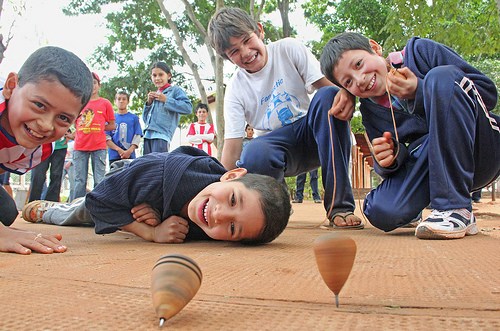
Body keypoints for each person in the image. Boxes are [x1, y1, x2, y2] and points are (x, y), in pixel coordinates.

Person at [319, 32, 500, 239]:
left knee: (440, 77)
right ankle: (418, 212)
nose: (359, 80)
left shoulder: (421, 52)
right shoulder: (370, 110)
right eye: (348, 82)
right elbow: (391, 169)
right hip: (433, 166)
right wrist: (391, 158)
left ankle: (456, 209)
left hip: (482, 151)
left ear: (375, 48)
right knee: (380, 209)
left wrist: (420, 91)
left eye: (359, 64)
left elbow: (487, 93)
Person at [207, 8, 362, 229]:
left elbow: (331, 91)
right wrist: (215, 190)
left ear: (259, 31)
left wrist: (350, 96)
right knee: (253, 151)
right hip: (277, 149)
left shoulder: (288, 49)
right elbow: (232, 148)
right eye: (234, 51)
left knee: (330, 95)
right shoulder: (235, 89)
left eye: (246, 40)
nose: (245, 52)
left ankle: (340, 206)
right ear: (227, 58)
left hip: (315, 134)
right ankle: (276, 212)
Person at [22, 146, 291, 245]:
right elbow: (100, 200)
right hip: (125, 177)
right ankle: (50, 210)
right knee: (85, 212)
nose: (219, 215)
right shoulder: (158, 174)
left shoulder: (210, 220)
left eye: (233, 228)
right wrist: (148, 232)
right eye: (233, 199)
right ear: (232, 175)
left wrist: (160, 216)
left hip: (151, 199)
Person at [0, 46, 93, 254]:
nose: (45, 125)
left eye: (63, 118)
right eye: (39, 105)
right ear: (11, 86)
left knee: (5, 211)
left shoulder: (37, 150)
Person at [72, 72, 115, 199]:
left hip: (99, 146)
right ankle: (75, 209)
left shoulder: (105, 103)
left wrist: (99, 126)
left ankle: (99, 207)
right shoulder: (79, 102)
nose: (92, 86)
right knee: (79, 181)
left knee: (99, 180)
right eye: (89, 83)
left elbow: (112, 125)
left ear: (99, 85)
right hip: (80, 146)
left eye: (94, 83)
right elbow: (75, 123)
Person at [143, 61, 192, 154]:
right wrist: (149, 103)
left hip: (162, 135)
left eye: (161, 75)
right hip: (147, 136)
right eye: (154, 75)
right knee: (147, 166)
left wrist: (166, 100)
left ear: (168, 76)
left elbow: (188, 107)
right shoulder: (154, 95)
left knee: (158, 164)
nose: (157, 78)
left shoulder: (175, 91)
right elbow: (145, 120)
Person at [28, 132, 70, 202]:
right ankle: (33, 204)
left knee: (56, 175)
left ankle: (51, 204)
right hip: (42, 145)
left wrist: (70, 134)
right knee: (38, 175)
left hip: (60, 145)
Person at [106, 91, 142, 164]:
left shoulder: (134, 118)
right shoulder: (110, 119)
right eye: (119, 99)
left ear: (128, 101)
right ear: (115, 101)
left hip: (130, 156)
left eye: (124, 99)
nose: (121, 101)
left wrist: (129, 151)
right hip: (114, 156)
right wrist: (119, 150)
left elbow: (137, 136)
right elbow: (106, 138)